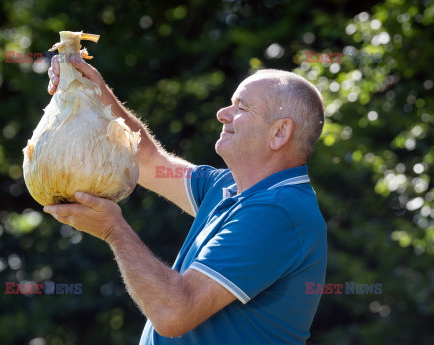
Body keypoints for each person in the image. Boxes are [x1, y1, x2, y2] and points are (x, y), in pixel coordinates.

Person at [44, 54, 327, 345]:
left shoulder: (276, 212)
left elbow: (173, 313)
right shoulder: (228, 186)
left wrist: (113, 231)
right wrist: (92, 89)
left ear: (280, 132)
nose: (222, 113)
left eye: (241, 107)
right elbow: (149, 160)